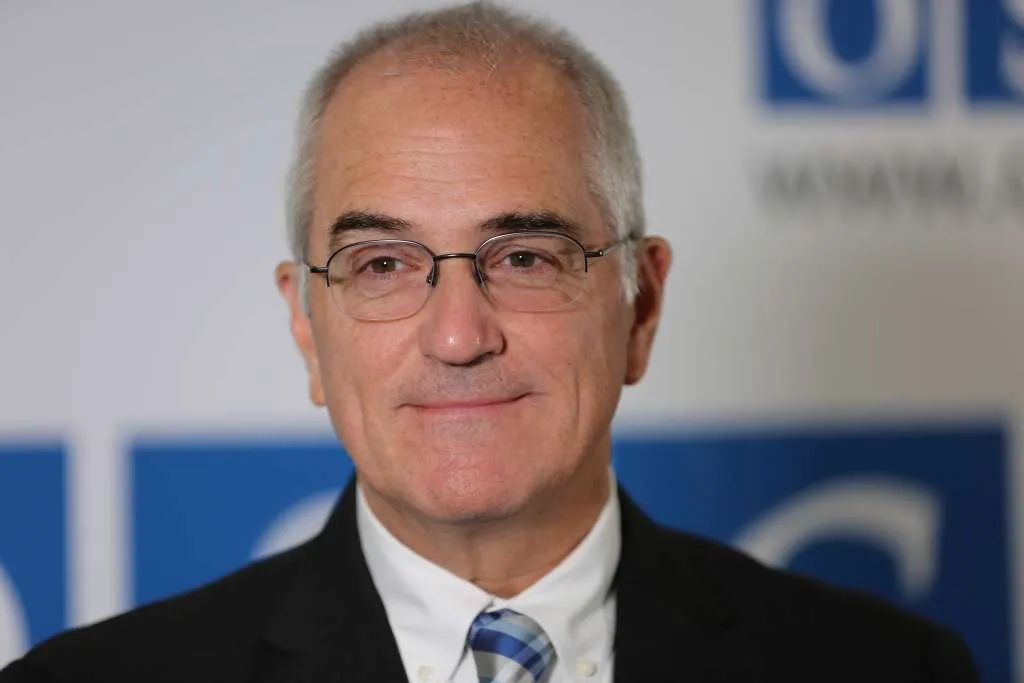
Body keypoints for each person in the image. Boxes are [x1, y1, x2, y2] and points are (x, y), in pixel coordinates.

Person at [0, 3, 980, 682]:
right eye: (383, 263)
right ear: (306, 324)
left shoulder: (888, 667)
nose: (459, 333)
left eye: (524, 256)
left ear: (639, 306)